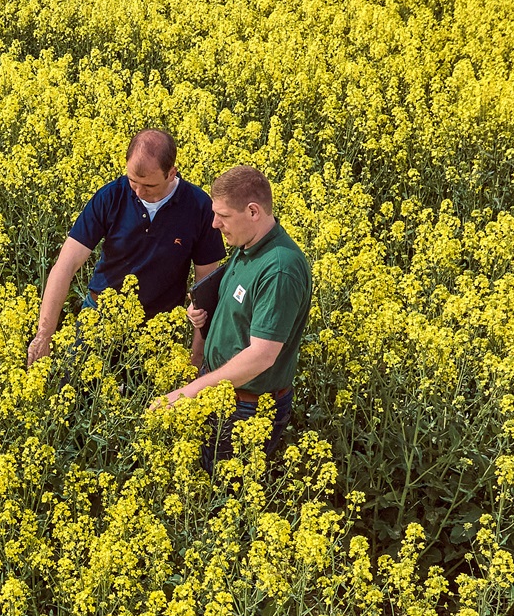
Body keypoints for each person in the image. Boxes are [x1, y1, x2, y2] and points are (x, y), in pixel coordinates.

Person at [152, 165, 311, 466]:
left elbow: (261, 356)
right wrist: (205, 314)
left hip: (248, 411)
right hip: (220, 395)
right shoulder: (247, 246)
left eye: (223, 216)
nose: (214, 224)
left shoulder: (279, 269)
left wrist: (189, 393)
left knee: (227, 499)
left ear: (253, 211)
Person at [27, 129, 224, 365]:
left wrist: (196, 357)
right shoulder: (111, 196)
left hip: (156, 329)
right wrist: (44, 334)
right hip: (99, 317)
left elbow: (206, 290)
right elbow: (65, 265)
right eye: (133, 181)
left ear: (172, 173)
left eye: (149, 185)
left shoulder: (199, 207)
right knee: (75, 395)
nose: (138, 192)